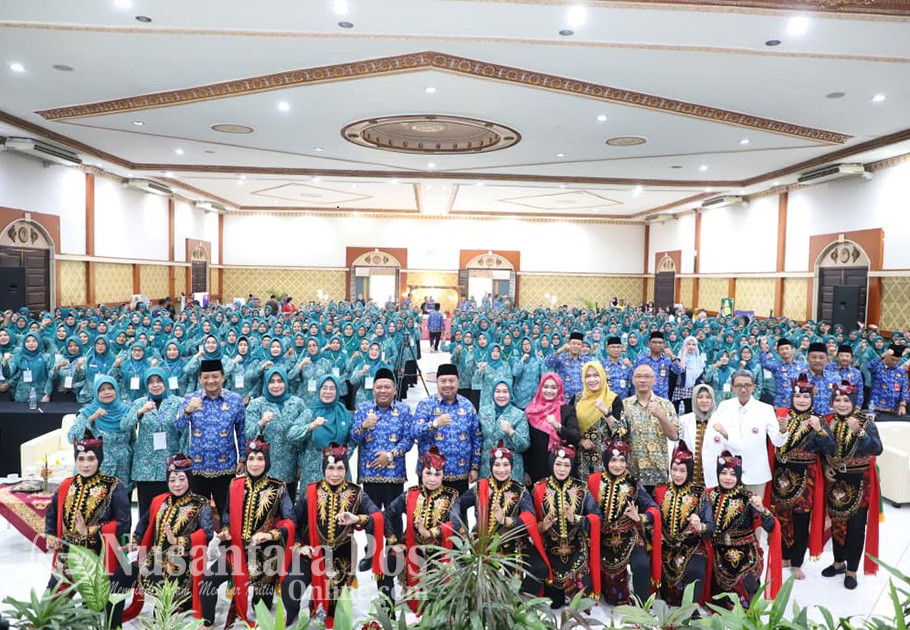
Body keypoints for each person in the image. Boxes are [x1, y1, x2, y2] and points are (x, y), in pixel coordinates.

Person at [200, 435, 295, 628]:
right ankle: (208, 623)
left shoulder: (278, 487)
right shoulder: (235, 485)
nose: (255, 464)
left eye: (260, 459)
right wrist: (225, 530)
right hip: (237, 551)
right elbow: (226, 514)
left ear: (267, 461)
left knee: (260, 607)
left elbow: (290, 520)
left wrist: (270, 535)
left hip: (266, 556)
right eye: (251, 458)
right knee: (207, 583)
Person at [282, 443, 383, 626]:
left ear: (346, 469)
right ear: (324, 469)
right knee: (290, 587)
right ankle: (293, 613)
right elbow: (293, 519)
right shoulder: (311, 491)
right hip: (313, 552)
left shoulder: (356, 492)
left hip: (341, 557)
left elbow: (377, 516)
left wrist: (357, 518)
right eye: (330, 468)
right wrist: (299, 544)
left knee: (330, 612)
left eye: (340, 468)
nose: (335, 474)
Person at [109, 454, 213, 628]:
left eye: (182, 479)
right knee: (118, 580)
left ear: (189, 479)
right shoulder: (159, 501)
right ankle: (112, 625)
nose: (177, 484)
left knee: (160, 614)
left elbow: (208, 533)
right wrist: (135, 540)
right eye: (172, 480)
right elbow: (144, 523)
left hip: (181, 568)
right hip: (152, 561)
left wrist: (179, 540)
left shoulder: (200, 504)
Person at [451, 441, 550, 593]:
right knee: (463, 562)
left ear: (512, 466)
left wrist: (506, 521)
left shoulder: (520, 490)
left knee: (540, 569)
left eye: (506, 465)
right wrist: (460, 528)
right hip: (483, 542)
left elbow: (529, 518)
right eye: (497, 465)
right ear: (491, 466)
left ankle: (520, 600)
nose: (501, 470)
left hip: (513, 542)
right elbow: (457, 503)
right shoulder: (481, 487)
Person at [44, 430, 131, 595]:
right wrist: (51, 535)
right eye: (81, 459)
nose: (85, 465)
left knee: (93, 605)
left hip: (99, 554)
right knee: (52, 602)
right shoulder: (66, 485)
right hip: (67, 552)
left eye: (91, 459)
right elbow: (52, 514)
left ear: (99, 460)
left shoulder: (113, 486)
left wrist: (89, 531)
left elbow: (123, 522)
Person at [768, 373, 836, 580]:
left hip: (806, 476)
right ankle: (784, 556)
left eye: (806, 397)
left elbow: (831, 448)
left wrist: (820, 430)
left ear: (812, 398)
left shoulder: (818, 419)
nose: (802, 400)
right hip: (781, 474)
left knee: (801, 519)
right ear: (792, 397)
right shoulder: (781, 416)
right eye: (798, 396)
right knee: (781, 517)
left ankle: (797, 562)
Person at [381, 447, 459, 612]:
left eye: (437, 474)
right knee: (384, 568)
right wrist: (393, 541)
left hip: (438, 552)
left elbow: (456, 525)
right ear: (421, 472)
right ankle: (388, 615)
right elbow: (386, 515)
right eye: (428, 473)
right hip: (411, 547)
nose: (432, 479)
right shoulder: (410, 494)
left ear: (443, 476)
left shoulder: (451, 496)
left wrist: (430, 533)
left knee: (435, 604)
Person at [822, 380, 883, 590]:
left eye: (846, 400)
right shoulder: (828, 422)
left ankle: (852, 571)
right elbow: (822, 450)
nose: (841, 404)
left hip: (860, 481)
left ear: (854, 402)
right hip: (836, 481)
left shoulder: (866, 422)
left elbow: (877, 449)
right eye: (838, 400)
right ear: (832, 402)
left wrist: (859, 431)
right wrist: (825, 466)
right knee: (837, 524)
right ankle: (838, 563)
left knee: (856, 528)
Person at [587, 436, 660, 605]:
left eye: (622, 460)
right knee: (614, 599)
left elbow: (654, 508)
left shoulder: (633, 483)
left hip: (630, 536)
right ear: (606, 461)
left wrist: (640, 517)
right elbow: (588, 510)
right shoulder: (594, 481)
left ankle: (643, 606)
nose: (618, 465)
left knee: (641, 565)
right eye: (613, 460)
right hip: (603, 540)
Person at [529, 442, 599, 609]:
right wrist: (543, 526)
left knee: (582, 606)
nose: (562, 469)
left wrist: (575, 518)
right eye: (558, 464)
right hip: (551, 551)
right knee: (554, 604)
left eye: (566, 465)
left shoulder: (581, 488)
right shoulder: (539, 489)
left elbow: (597, 518)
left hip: (577, 550)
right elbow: (530, 523)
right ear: (551, 464)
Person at [707, 451, 781, 609]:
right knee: (719, 598)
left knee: (748, 587)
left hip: (746, 552)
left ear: (739, 475)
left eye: (733, 474)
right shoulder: (710, 496)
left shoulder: (748, 499)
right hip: (720, 552)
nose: (727, 478)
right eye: (723, 473)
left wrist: (762, 509)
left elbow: (770, 526)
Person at [175, 358, 246, 517]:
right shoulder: (191, 399)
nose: (211, 381)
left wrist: (242, 459)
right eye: (206, 377)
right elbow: (178, 426)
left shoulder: (234, 400)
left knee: (228, 514)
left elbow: (241, 431)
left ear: (223, 377)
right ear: (200, 379)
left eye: (215, 376)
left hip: (226, 468)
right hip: (197, 468)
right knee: (197, 516)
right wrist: (188, 411)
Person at [709, 370, 787, 497]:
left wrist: (782, 430)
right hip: (729, 472)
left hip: (756, 472)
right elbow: (716, 437)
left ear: (754, 386)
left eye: (747, 385)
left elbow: (777, 442)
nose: (743, 389)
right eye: (739, 385)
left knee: (754, 508)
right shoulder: (724, 406)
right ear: (732, 387)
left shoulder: (765, 409)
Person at [655, 442, 713, 607]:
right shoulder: (661, 491)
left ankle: (691, 610)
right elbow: (653, 518)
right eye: (674, 469)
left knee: (696, 571)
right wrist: (654, 531)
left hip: (692, 547)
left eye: (682, 470)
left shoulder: (699, 494)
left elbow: (711, 527)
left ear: (689, 471)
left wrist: (700, 526)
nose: (677, 474)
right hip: (666, 547)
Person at [123, 368, 185, 517]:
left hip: (170, 465)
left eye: (159, 381)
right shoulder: (140, 403)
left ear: (165, 382)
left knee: (170, 513)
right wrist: (140, 412)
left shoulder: (178, 402)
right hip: (146, 467)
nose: (155, 385)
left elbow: (184, 430)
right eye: (151, 382)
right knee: (146, 513)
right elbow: (124, 425)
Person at [412, 363, 482, 495]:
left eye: (451, 380)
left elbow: (476, 438)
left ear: (458, 382)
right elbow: (414, 432)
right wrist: (434, 424)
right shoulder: (426, 405)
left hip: (460, 474)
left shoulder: (467, 406)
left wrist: (474, 467)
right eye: (443, 381)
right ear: (436, 382)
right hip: (431, 475)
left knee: (458, 508)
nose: (447, 385)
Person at [245, 367, 306, 499]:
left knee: (287, 507)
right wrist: (261, 423)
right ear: (266, 383)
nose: (276, 385)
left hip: (289, 468)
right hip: (262, 470)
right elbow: (248, 435)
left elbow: (303, 437)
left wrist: (301, 465)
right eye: (272, 382)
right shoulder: (256, 404)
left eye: (280, 381)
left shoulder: (297, 404)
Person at [68, 376, 136, 491]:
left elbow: (133, 440)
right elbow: (72, 437)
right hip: (97, 471)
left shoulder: (127, 411)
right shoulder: (87, 412)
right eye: (102, 390)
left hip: (123, 471)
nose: (107, 392)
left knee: (121, 502)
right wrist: (91, 419)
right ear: (96, 392)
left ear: (116, 390)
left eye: (110, 388)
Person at [289, 374, 353, 492]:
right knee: (313, 502)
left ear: (337, 391)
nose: (328, 392)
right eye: (324, 388)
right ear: (319, 389)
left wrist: (341, 455)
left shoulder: (344, 412)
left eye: (332, 388)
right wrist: (311, 426)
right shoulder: (310, 411)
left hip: (338, 470)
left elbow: (353, 439)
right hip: (314, 470)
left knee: (339, 502)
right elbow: (292, 435)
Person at [622, 365, 679, 493]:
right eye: (639, 376)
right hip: (633, 473)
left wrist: (661, 416)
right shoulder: (625, 405)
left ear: (654, 380)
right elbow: (619, 434)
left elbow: (674, 436)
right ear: (633, 380)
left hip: (658, 473)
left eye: (647, 376)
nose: (643, 380)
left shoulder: (665, 405)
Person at [524, 372, 580, 485]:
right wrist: (525, 470)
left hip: (561, 468)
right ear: (540, 388)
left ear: (559, 389)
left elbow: (574, 436)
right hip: (536, 469)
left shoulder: (567, 410)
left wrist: (557, 426)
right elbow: (526, 444)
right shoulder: (530, 411)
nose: (549, 391)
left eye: (554, 387)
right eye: (545, 387)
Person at [574, 361, 624, 478]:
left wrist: (606, 412)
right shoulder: (577, 399)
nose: (592, 380)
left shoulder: (613, 399)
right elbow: (570, 428)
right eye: (588, 376)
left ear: (602, 376)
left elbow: (620, 432)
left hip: (605, 461)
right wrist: (579, 441)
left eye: (596, 375)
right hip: (580, 461)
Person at [477, 379, 530, 481]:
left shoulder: (519, 415)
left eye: (505, 392)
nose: (501, 395)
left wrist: (511, 432)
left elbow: (524, 446)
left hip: (511, 471)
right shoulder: (483, 412)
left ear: (510, 394)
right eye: (498, 391)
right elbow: (477, 440)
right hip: (487, 468)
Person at [677, 383, 720, 490]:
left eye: (708, 397)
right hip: (689, 475)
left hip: (713, 476)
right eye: (700, 397)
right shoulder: (684, 420)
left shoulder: (720, 420)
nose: (704, 401)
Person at [760, 337, 809, 409]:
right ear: (778, 352)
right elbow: (763, 362)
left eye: (787, 348)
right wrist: (763, 348)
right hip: (781, 403)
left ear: (792, 349)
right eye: (782, 349)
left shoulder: (802, 365)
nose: (785, 351)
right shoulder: (776, 366)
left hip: (798, 403)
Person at [634, 331, 683, 400]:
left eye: (660, 343)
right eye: (654, 342)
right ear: (649, 344)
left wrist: (672, 357)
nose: (657, 345)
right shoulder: (642, 358)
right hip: (645, 396)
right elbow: (635, 377)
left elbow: (678, 371)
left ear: (664, 344)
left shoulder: (667, 358)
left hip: (662, 397)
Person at [8, 331, 54, 403]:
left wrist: (47, 394)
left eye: (34, 341)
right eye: (28, 341)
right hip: (21, 395)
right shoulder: (18, 357)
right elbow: (8, 374)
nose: (31, 343)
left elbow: (50, 377)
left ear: (39, 342)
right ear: (24, 343)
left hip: (40, 395)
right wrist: (5, 363)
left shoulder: (46, 357)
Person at [544, 331, 587, 401]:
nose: (576, 346)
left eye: (578, 344)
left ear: (582, 346)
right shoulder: (561, 357)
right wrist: (560, 350)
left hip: (582, 400)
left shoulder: (586, 360)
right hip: (564, 399)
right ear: (569, 344)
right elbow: (548, 363)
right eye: (573, 344)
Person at [867, 343, 908, 415]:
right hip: (877, 408)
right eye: (892, 359)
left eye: (897, 360)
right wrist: (882, 355)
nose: (894, 362)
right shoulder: (878, 367)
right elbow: (870, 366)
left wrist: (902, 405)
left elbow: (904, 389)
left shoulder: (901, 371)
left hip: (894, 409)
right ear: (887, 356)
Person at [671, 336, 706, 414]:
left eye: (693, 345)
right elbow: (681, 369)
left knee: (690, 414)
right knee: (677, 413)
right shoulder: (679, 358)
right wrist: (683, 354)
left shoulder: (699, 360)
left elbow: (701, 375)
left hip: (693, 390)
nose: (691, 346)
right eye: (689, 344)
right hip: (680, 389)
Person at [805, 342, 839, 415]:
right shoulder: (800, 378)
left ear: (827, 360)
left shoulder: (835, 378)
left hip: (831, 419)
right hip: (808, 419)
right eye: (814, 357)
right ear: (807, 359)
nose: (817, 360)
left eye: (821, 357)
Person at [826, 344, 865, 409]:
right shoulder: (829, 368)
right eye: (841, 356)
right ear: (837, 357)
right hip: (831, 406)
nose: (844, 358)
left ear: (851, 359)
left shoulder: (856, 373)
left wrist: (858, 406)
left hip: (849, 406)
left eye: (847, 356)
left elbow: (860, 391)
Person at [512, 337, 544, 409]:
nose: (526, 346)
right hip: (521, 398)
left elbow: (543, 377)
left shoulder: (538, 360)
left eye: (528, 344)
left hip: (534, 398)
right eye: (524, 344)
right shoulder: (517, 359)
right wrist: (522, 360)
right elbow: (515, 373)